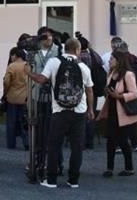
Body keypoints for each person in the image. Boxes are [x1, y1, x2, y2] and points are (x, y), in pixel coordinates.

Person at [30, 37, 94, 188]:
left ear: (65, 49)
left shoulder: (54, 62)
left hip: (59, 110)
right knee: (77, 147)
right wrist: (91, 109)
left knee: (54, 145)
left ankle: (51, 179)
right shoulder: (83, 67)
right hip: (79, 110)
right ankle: (73, 180)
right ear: (77, 50)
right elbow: (90, 90)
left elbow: (41, 79)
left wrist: (29, 73)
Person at [100, 50, 137, 178]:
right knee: (110, 140)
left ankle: (129, 167)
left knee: (123, 140)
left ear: (119, 60)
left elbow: (134, 93)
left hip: (122, 112)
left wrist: (120, 96)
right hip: (111, 110)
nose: (110, 61)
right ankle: (109, 168)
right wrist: (107, 91)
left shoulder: (128, 74)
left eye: (112, 59)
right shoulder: (111, 73)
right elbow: (109, 88)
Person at [30, 27, 62, 180]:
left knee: (54, 131)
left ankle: (56, 163)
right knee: (38, 131)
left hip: (53, 97)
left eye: (50, 37)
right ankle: (37, 161)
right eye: (44, 37)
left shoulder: (58, 51)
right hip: (37, 95)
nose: (47, 40)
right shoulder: (33, 53)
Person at [77, 35, 105, 150]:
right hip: (93, 88)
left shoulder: (78, 58)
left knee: (81, 115)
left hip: (80, 89)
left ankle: (81, 141)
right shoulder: (92, 55)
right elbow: (101, 62)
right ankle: (90, 141)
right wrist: (91, 48)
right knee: (91, 113)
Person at [2, 47, 29, 150]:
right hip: (24, 97)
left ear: (15, 55)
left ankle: (11, 143)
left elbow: (6, 82)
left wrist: (5, 93)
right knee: (24, 121)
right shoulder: (28, 66)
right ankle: (26, 142)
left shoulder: (12, 66)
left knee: (11, 122)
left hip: (12, 97)